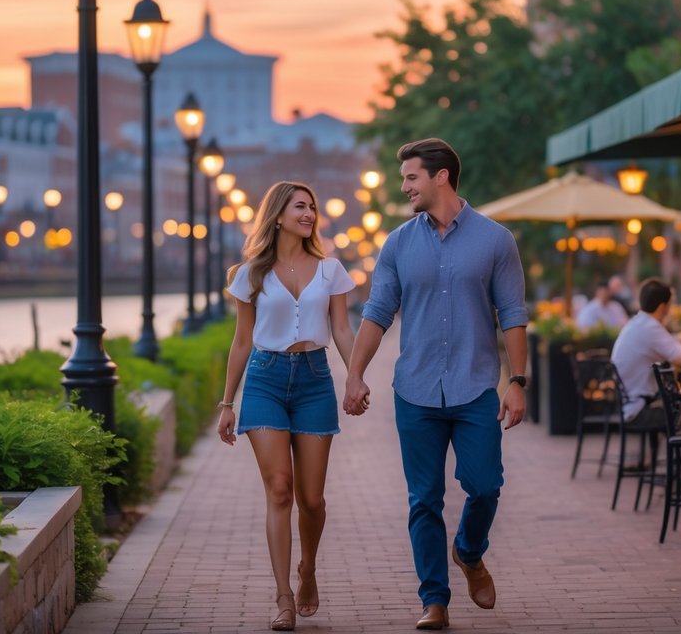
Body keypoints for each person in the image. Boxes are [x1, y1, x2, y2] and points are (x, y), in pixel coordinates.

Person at [342, 138, 527, 631]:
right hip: (416, 392)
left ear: (440, 176)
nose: (404, 187)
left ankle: (468, 551)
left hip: (474, 388)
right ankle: (434, 599)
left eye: (411, 178)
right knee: (423, 499)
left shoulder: (495, 240)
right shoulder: (398, 243)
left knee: (485, 485)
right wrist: (355, 374)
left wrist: (519, 381)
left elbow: (513, 315)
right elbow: (377, 312)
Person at [216, 181, 356, 631]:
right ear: (277, 215)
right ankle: (282, 597)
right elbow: (241, 342)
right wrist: (226, 402)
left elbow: (341, 329)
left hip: (314, 381)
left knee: (311, 499)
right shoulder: (250, 273)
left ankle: (307, 568)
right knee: (279, 489)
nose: (309, 213)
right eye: (301, 206)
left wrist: (355, 376)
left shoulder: (331, 269)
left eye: (312, 207)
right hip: (264, 381)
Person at [610, 278, 681, 499]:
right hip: (639, 411)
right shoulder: (650, 328)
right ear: (663, 306)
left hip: (633, 406)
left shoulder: (638, 323)